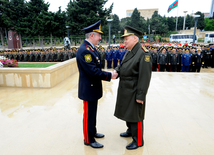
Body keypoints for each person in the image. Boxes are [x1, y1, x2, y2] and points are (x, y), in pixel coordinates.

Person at [76, 20, 118, 149]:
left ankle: (92, 132)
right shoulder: (85, 50)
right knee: (88, 114)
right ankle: (88, 139)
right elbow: (93, 71)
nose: (100, 38)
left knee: (93, 113)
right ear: (92, 36)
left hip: (92, 88)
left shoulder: (90, 48)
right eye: (99, 35)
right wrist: (109, 75)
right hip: (89, 89)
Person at [114, 26, 152, 150]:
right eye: (124, 39)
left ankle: (138, 140)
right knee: (128, 112)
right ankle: (130, 131)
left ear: (135, 39)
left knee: (136, 115)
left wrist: (141, 95)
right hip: (126, 89)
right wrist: (116, 72)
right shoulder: (130, 51)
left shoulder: (143, 53)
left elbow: (145, 77)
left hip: (135, 90)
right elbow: (123, 65)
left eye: (126, 39)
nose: (124, 41)